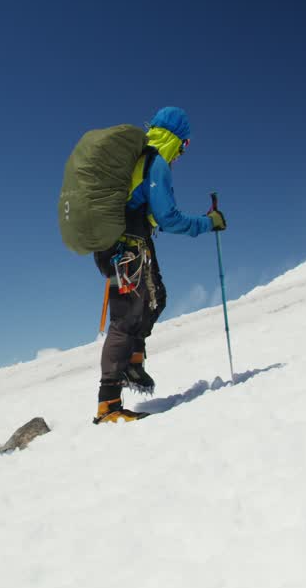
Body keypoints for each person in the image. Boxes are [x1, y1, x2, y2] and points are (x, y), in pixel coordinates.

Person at [94, 106, 226, 423]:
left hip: (120, 245)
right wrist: (208, 223)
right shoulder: (155, 162)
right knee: (126, 318)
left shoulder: (139, 160)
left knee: (154, 301)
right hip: (126, 248)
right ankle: (108, 406)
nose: (182, 154)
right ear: (175, 139)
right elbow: (168, 217)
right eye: (184, 146)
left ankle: (133, 364)